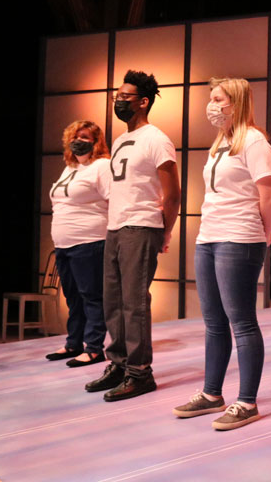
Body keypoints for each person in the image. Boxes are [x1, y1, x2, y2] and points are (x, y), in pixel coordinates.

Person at [172, 77, 271, 431]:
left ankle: (247, 401)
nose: (212, 105)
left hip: (239, 237)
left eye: (218, 99)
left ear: (236, 102)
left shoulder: (254, 140)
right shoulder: (221, 142)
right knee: (213, 322)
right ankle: (211, 393)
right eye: (211, 98)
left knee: (242, 321)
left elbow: (269, 193)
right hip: (209, 236)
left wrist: (263, 233)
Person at [85, 70, 180, 401]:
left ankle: (140, 373)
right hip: (115, 226)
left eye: (125, 97)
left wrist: (165, 231)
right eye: (117, 97)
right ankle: (119, 364)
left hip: (141, 226)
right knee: (112, 300)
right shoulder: (123, 140)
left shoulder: (156, 138)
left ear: (143, 101)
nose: (118, 102)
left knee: (134, 302)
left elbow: (173, 194)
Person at [46, 120, 110, 367]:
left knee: (92, 295)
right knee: (72, 296)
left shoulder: (102, 166)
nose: (79, 141)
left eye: (85, 137)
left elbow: (113, 199)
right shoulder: (70, 167)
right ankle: (74, 343)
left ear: (96, 142)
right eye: (75, 137)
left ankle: (94, 348)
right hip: (64, 242)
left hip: (90, 241)